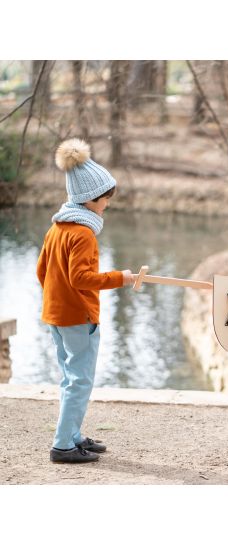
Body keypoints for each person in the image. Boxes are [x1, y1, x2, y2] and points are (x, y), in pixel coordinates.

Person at [36, 138, 138, 463]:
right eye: (106, 199)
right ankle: (63, 445)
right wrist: (119, 278)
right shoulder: (82, 233)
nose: (107, 204)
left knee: (70, 377)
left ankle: (73, 434)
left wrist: (57, 299)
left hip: (55, 315)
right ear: (90, 199)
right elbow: (80, 279)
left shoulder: (57, 228)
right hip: (78, 318)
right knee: (80, 380)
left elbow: (42, 272)